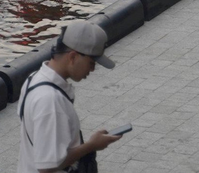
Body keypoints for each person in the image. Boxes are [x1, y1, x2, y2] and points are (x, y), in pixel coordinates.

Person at [17, 21, 123, 173]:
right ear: (73, 57)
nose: (92, 69)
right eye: (91, 63)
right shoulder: (50, 100)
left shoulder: (34, 79)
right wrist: (92, 145)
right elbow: (47, 166)